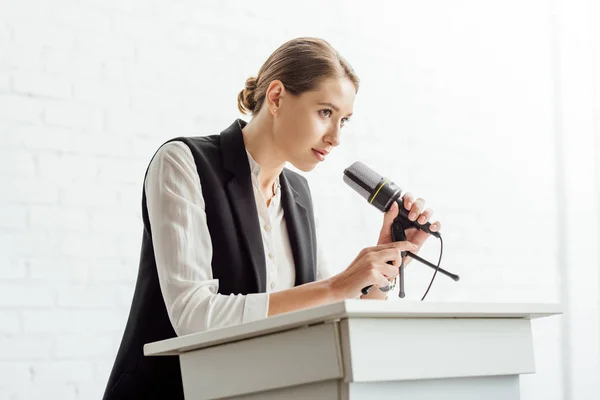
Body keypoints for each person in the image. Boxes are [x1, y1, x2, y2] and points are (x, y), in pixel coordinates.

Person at [102, 37, 441, 400]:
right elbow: (194, 316)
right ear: (276, 97)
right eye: (325, 112)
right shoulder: (184, 162)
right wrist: (336, 286)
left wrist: (385, 261)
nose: (337, 137)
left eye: (344, 120)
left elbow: (329, 318)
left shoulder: (297, 194)